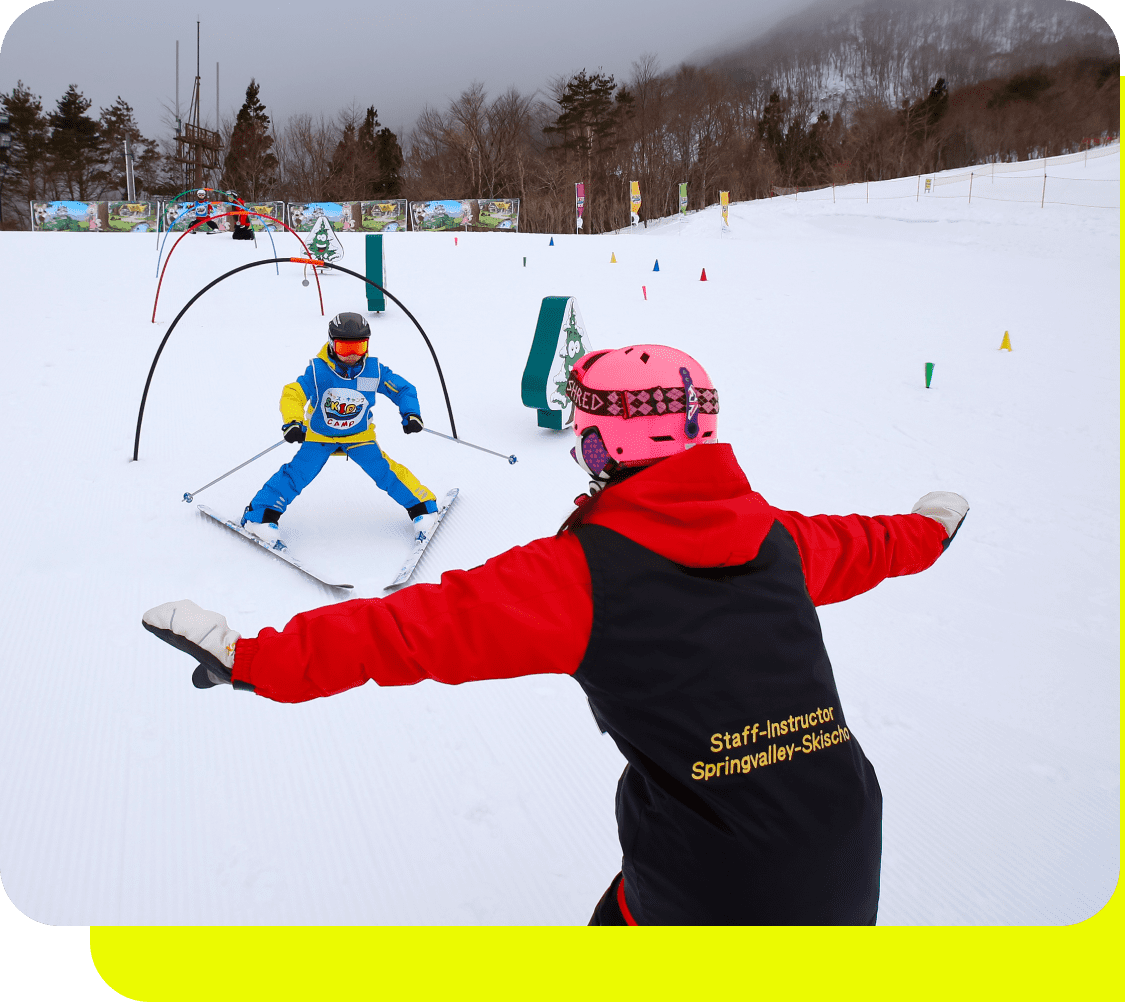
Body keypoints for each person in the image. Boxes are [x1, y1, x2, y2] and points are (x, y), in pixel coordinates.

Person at [143, 343, 968, 925]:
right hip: (847, 847)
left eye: (585, 433)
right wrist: (928, 532)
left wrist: (253, 661)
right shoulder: (780, 539)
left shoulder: (580, 576)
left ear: (609, 443)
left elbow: (409, 630)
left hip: (712, 889)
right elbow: (871, 544)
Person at [238, 311, 438, 544]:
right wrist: (293, 421)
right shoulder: (319, 371)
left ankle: (422, 508)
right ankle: (260, 516)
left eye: (359, 347)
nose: (352, 355)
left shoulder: (373, 371)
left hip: (359, 436)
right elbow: (293, 393)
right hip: (320, 435)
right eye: (345, 348)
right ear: (332, 344)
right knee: (297, 474)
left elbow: (402, 389)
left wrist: (411, 413)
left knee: (385, 471)